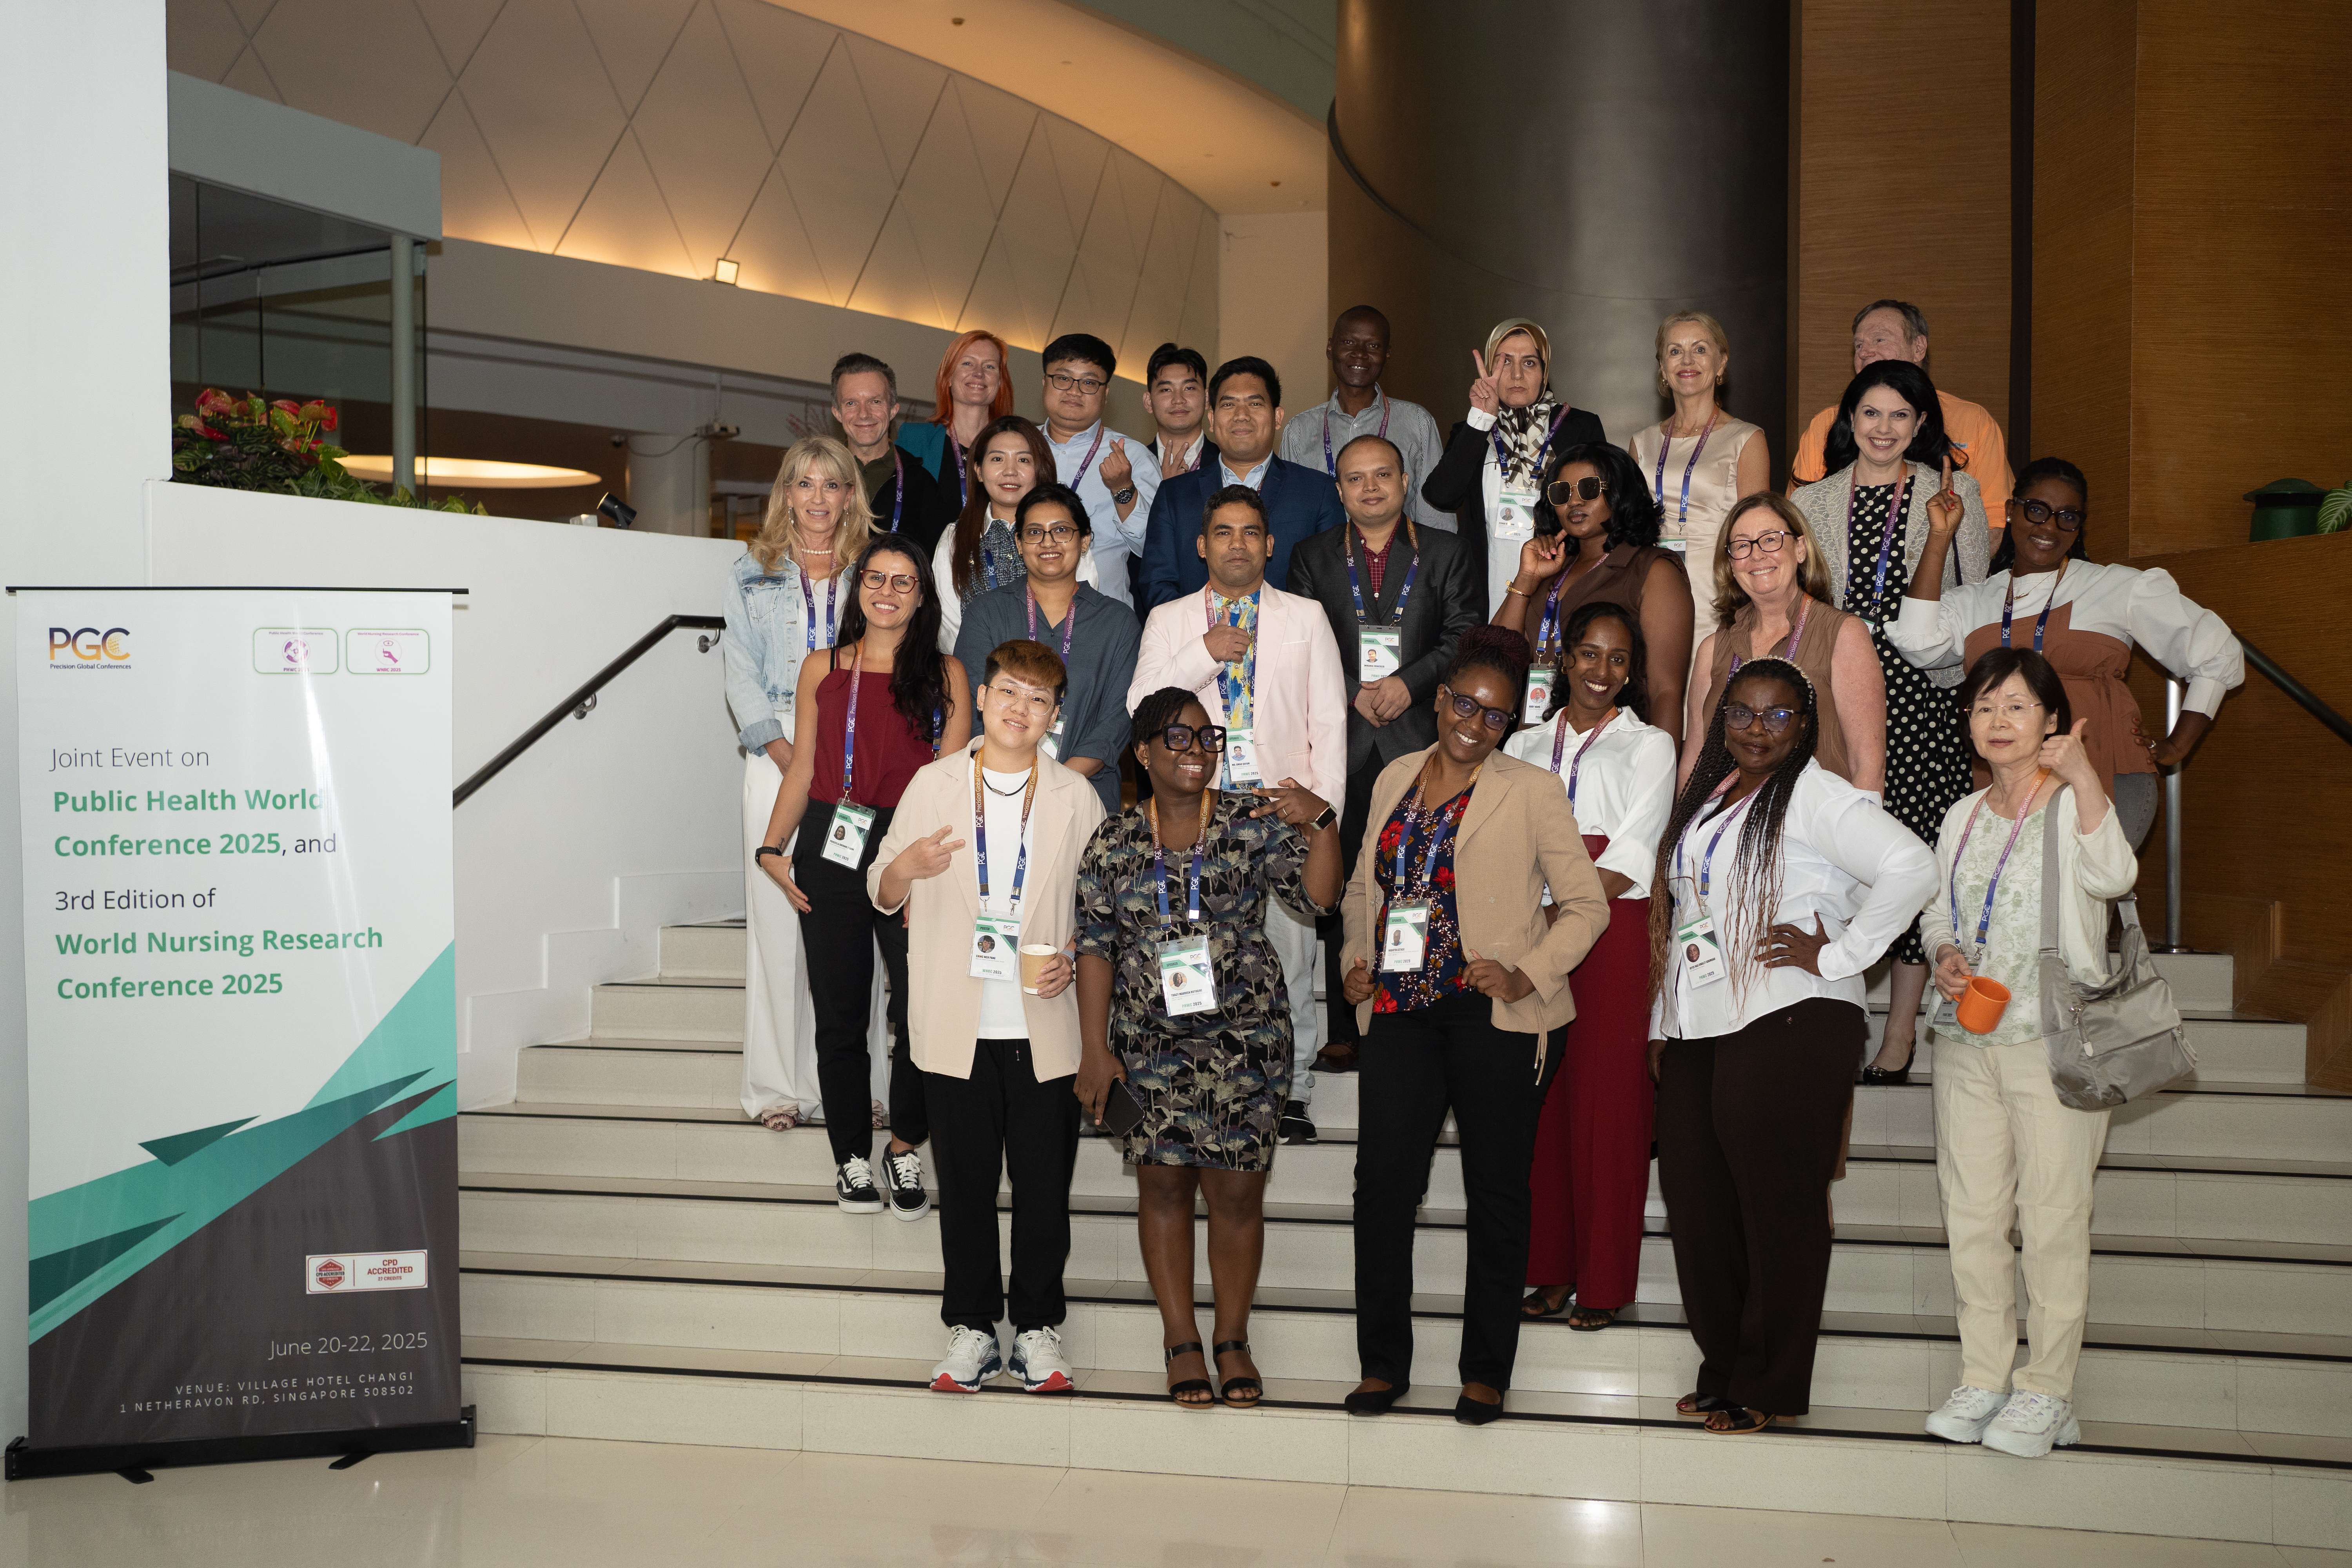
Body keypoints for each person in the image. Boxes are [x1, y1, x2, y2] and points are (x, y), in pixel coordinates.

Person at [1650, 657, 1936, 1435]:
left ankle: (1768, 1382)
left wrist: (1843, 955)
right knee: (1698, 1206)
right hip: (1701, 1024)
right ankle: (1724, 1366)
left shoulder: (1816, 794)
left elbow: (1912, 865)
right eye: (1741, 712)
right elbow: (1689, 913)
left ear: (1804, 725)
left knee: (1777, 1207)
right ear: (1721, 720)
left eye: (1777, 715)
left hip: (1791, 1016)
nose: (1757, 728)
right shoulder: (1710, 794)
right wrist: (1662, 1022)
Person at [1338, 627, 1611, 1424]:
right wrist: (1356, 959)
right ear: (1440, 699)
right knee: (1383, 1189)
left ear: (1510, 723)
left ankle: (1486, 1370)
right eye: (1465, 704)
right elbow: (1360, 890)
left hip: (1493, 1013)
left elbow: (1586, 904)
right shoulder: (1393, 776)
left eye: (1496, 716)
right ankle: (1382, 1364)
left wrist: (1528, 971)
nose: (1476, 724)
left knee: (1495, 1193)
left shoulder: (1531, 790)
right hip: (1400, 1011)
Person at [1073, 686, 1343, 1407]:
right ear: (1143, 752)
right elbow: (1095, 946)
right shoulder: (1113, 839)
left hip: (1246, 1040)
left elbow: (1318, 899)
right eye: (1178, 738)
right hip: (1146, 1043)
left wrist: (1321, 821)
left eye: (1206, 737)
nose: (1196, 751)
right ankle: (1181, 1341)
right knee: (1162, 1187)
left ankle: (1232, 1338)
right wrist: (1095, 1050)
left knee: (1237, 1192)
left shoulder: (1252, 824)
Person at [868, 638, 1105, 1396]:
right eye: (1007, 692)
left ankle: (1037, 1328)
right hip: (955, 1023)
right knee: (966, 1190)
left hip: (1044, 1024)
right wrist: (905, 869)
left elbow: (1102, 907)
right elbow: (880, 888)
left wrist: (1074, 955)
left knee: (1043, 1191)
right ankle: (970, 1329)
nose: (1019, 709)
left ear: (1055, 715)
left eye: (1037, 700)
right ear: (981, 698)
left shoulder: (1076, 796)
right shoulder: (934, 784)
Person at [1917, 648, 2136, 1459]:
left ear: (2050, 720)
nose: (1998, 721)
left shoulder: (2073, 805)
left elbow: (2115, 875)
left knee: (2052, 1219)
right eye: (1984, 707)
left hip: (2055, 1040)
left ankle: (2047, 1391)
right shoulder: (1961, 815)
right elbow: (1936, 910)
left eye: (2016, 705)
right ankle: (1984, 1378)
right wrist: (1943, 953)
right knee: (1972, 1215)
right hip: (1966, 1036)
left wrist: (2084, 778)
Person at [755, 536, 972, 1213]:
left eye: (903, 581)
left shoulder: (947, 674)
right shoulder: (822, 667)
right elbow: (803, 766)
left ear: (922, 596)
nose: (887, 591)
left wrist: (933, 865)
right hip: (833, 840)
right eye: (876, 578)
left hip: (915, 848)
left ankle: (904, 1146)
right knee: (841, 1012)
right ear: (859, 589)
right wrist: (772, 847)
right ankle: (850, 1156)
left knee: (920, 1011)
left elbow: (954, 782)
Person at [1130, 486, 1348, 1144]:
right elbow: (1142, 707)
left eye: (1251, 532)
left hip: (1280, 809)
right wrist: (1204, 652)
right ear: (1202, 546)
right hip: (1194, 813)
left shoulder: (1306, 615)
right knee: (1197, 951)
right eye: (1223, 532)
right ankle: (1200, 1080)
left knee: (1290, 956)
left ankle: (1294, 1089)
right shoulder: (1170, 619)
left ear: (1270, 544)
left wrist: (1322, 815)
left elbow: (1328, 719)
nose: (1237, 544)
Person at [1792, 360, 1990, 1083]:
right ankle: (1831, 1008)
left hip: (1922, 696)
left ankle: (1901, 1031)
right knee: (1842, 851)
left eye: (1899, 415)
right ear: (1850, 420)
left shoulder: (1956, 493)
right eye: (1870, 413)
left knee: (1914, 855)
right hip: (1839, 689)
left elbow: (1971, 598)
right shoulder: (1811, 500)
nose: (1883, 428)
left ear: (1921, 423)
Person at [1891, 456, 2242, 848]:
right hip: (2003, 781)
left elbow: (2219, 652)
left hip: (2105, 774)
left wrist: (2177, 746)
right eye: (2037, 511)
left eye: (2067, 517)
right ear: (2012, 511)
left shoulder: (2117, 587)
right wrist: (1940, 535)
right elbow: (1917, 643)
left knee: (2083, 887)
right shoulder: (1975, 600)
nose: (2050, 528)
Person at [1503, 603, 1677, 1329]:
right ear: (1565, 658)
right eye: (1590, 654)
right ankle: (1549, 1270)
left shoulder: (1651, 745)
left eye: (1618, 659)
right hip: (1531, 928)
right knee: (1542, 1104)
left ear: (1631, 672)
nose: (1602, 671)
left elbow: (1635, 850)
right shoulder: (1522, 742)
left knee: (1611, 1108)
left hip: (1611, 929)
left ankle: (1604, 1281)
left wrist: (1560, 919)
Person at [1287, 433, 1481, 1071]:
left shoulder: (1448, 552)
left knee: (1416, 875)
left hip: (1418, 740)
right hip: (1340, 741)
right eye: (1355, 478)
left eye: (1382, 475)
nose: (1370, 488)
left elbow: (1463, 634)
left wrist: (1408, 683)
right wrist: (1351, 690)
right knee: (1341, 879)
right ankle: (1346, 1026)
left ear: (1403, 481)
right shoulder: (1312, 556)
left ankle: (1411, 1007)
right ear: (1340, 490)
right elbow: (1301, 640)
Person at [724, 435, 870, 1132]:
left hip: (858, 750)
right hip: (775, 752)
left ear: (849, 495)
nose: (818, 497)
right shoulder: (749, 571)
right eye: (805, 483)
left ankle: (852, 1085)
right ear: (786, 494)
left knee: (852, 918)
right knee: (779, 919)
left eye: (831, 484)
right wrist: (791, 757)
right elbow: (739, 672)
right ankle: (777, 1089)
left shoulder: (874, 569)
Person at [953, 483, 1142, 819]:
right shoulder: (986, 613)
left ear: (1085, 541)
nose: (1048, 542)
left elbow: (1117, 720)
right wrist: (1013, 780)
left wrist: (1059, 781)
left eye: (1062, 531)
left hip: (1086, 793)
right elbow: (971, 705)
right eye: (1035, 532)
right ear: (1019, 543)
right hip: (996, 791)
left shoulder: (1118, 622)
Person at [1684, 494, 1885, 796]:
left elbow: (1868, 766)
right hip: (1726, 819)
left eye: (1770, 540)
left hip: (1815, 821)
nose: (1756, 555)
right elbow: (1695, 762)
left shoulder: (1843, 634)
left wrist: (1858, 827)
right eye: (1742, 545)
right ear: (1731, 563)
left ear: (1800, 549)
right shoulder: (1712, 651)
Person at [1491, 441, 1691, 741]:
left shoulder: (1653, 570)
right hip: (1532, 743)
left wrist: (1663, 764)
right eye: (1562, 493)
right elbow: (1495, 658)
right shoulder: (1551, 568)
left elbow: (1666, 692)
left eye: (1589, 488)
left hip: (1613, 748)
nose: (1574, 501)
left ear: (1620, 493)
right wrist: (1526, 579)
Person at [1421, 318, 1607, 618]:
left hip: (1558, 587)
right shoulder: (1473, 429)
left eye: (1529, 363)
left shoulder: (1579, 428)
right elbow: (1441, 496)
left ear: (1545, 372)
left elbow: (1603, 510)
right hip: (1485, 593)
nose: (1517, 374)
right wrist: (1481, 419)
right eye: (1505, 362)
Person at [1139, 356, 1346, 609]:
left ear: (1278, 417)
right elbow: (1157, 583)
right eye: (1229, 405)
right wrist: (1205, 631)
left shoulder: (1317, 491)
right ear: (1212, 420)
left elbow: (1331, 584)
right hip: (1195, 633)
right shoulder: (1174, 494)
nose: (1241, 416)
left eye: (1255, 403)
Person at [1624, 312, 1770, 643]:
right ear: (1663, 368)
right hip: (1650, 587)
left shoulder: (1746, 439)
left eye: (1700, 349)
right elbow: (1629, 530)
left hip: (1718, 594)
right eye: (1675, 351)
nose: (1687, 361)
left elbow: (1756, 534)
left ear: (1721, 363)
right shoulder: (1641, 443)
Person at [1789, 300, 2013, 515]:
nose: (1864, 353)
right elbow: (1796, 518)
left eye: (1880, 340)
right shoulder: (1826, 424)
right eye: (1859, 345)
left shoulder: (1973, 420)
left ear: (1919, 348)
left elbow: (1995, 519)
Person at [932, 416, 1102, 653]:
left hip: (1057, 665)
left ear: (1039, 470)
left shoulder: (1065, 534)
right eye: (997, 459)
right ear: (979, 470)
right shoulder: (955, 537)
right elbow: (949, 625)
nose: (1010, 472)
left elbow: (1083, 607)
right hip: (976, 668)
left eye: (1023, 460)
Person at [1278, 305, 1448, 531]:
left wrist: (1437, 555)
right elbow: (1293, 512)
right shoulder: (1300, 429)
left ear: (1387, 354)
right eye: (1349, 342)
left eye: (1373, 346)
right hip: (1323, 552)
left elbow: (1434, 512)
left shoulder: (1418, 422)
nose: (1360, 353)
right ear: (1330, 348)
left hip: (1400, 553)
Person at [1039, 332, 1159, 609]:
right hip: (1021, 614)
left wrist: (1123, 490)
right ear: (1045, 383)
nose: (1074, 391)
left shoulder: (1133, 456)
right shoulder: (1016, 450)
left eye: (1089, 383)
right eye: (1063, 378)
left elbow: (1153, 549)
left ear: (1105, 394)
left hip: (1103, 616)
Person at [829, 352, 956, 553]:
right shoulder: (819, 475)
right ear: (837, 413)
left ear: (893, 410)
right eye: (851, 403)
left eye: (875, 402)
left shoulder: (921, 484)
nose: (864, 414)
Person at [897, 330, 1014, 506]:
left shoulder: (1016, 447)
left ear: (1000, 382)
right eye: (968, 363)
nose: (979, 373)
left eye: (990, 366)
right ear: (949, 377)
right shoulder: (914, 439)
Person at [1143, 342, 1216, 481]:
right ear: (1148, 402)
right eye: (1166, 390)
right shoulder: (1131, 465)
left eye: (1189, 388)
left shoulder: (1228, 462)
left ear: (1207, 398)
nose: (1178, 400)